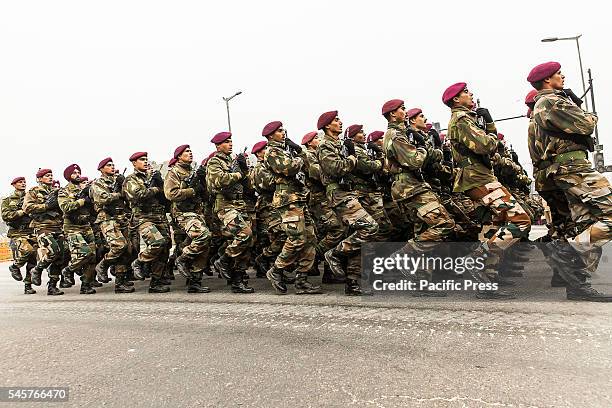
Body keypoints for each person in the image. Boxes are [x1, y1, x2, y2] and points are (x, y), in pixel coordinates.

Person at [528, 61, 612, 301]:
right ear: (547, 81)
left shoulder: (546, 102)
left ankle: (577, 285)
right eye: (558, 74)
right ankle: (565, 250)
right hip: (573, 167)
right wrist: (585, 110)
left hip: (568, 167)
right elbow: (587, 124)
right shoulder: (552, 101)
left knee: (586, 225)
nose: (562, 76)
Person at [443, 83, 531, 298]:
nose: (470, 94)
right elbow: (486, 146)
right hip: (478, 178)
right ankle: (476, 259)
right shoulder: (462, 119)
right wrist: (490, 126)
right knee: (520, 220)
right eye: (465, 92)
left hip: (479, 177)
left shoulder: (466, 118)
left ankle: (487, 278)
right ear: (455, 99)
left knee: (497, 225)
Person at [382, 100, 455, 295]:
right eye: (402, 110)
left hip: (412, 185)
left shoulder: (403, 134)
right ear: (392, 115)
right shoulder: (396, 135)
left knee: (424, 229)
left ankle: (421, 282)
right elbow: (414, 160)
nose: (405, 112)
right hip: (410, 188)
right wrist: (423, 147)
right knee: (444, 224)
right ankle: (403, 255)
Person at [317, 111, 378, 296]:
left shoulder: (340, 144)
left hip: (350, 192)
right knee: (370, 228)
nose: (340, 122)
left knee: (359, 236)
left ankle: (352, 282)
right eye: (336, 120)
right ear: (328, 126)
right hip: (339, 194)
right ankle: (334, 254)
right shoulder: (325, 146)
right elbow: (336, 168)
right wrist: (352, 158)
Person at [206, 132, 255, 293]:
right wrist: (238, 173)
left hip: (240, 204)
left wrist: (244, 170)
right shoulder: (214, 162)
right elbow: (219, 180)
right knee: (244, 233)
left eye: (231, 141)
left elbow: (248, 186)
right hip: (225, 206)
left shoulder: (233, 161)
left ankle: (238, 280)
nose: (230, 144)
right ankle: (224, 259)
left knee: (247, 243)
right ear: (218, 146)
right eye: (226, 142)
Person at [164, 145, 212, 292]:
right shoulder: (174, 173)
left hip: (197, 212)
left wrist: (203, 184)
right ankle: (182, 259)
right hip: (183, 213)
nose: (190, 153)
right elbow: (170, 194)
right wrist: (192, 190)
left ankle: (195, 282)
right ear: (179, 156)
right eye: (186, 152)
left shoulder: (193, 171)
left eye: (191, 151)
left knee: (204, 245)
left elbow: (203, 194)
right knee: (203, 235)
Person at [123, 152, 172, 293]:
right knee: (157, 242)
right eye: (141, 160)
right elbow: (138, 195)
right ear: (134, 163)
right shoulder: (130, 180)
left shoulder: (153, 178)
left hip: (159, 217)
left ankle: (156, 282)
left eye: (146, 159)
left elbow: (166, 197)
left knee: (164, 248)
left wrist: (161, 184)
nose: (145, 162)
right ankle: (139, 261)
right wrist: (156, 188)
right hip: (143, 218)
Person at [91, 157, 134, 293]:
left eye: (113, 165)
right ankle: (102, 265)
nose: (112, 167)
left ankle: (120, 283)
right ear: (101, 169)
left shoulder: (118, 182)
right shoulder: (97, 184)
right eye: (109, 165)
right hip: (107, 219)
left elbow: (130, 197)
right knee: (119, 245)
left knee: (126, 250)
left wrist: (124, 186)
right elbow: (102, 198)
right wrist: (118, 193)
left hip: (121, 218)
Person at [22, 168, 67, 295]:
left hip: (57, 226)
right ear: (40, 178)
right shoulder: (34, 191)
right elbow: (27, 207)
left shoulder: (57, 191)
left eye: (51, 175)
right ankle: (37, 269)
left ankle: (52, 286)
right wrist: (46, 206)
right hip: (42, 226)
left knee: (60, 256)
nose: (50, 177)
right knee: (53, 251)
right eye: (47, 175)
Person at [58, 164, 97, 294]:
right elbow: (65, 207)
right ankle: (68, 270)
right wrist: (81, 201)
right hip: (72, 227)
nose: (77, 174)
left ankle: (86, 285)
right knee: (84, 252)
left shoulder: (86, 189)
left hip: (86, 225)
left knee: (92, 257)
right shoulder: (64, 191)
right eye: (74, 173)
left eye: (78, 172)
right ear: (69, 176)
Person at [1, 177, 37, 294]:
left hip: (31, 231)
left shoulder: (31, 196)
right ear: (14, 184)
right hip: (17, 233)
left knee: (33, 260)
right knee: (28, 251)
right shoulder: (8, 199)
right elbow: (6, 215)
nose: (23, 184)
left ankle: (28, 285)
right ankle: (15, 266)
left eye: (24, 182)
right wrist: (22, 211)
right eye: (20, 182)